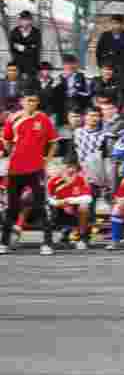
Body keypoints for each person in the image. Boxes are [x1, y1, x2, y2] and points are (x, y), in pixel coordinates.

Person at [1, 94, 58, 255]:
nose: (30, 103)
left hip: (36, 170)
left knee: (41, 206)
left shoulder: (44, 119)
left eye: (33, 100)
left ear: (37, 102)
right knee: (12, 207)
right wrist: (13, 153)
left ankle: (47, 244)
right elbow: (6, 139)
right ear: (21, 102)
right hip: (15, 170)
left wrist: (47, 160)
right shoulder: (13, 118)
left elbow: (53, 143)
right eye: (27, 100)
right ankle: (4, 243)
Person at [46, 160, 94, 250]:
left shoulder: (81, 179)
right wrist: (60, 203)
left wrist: (69, 201)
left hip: (75, 211)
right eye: (68, 167)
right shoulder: (53, 181)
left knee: (84, 207)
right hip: (58, 211)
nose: (71, 170)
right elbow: (47, 198)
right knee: (46, 210)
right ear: (63, 169)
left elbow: (88, 198)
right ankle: (47, 242)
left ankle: (82, 238)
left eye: (73, 168)